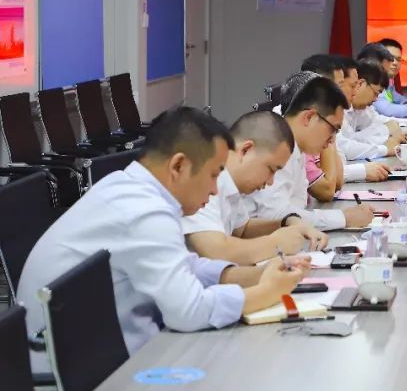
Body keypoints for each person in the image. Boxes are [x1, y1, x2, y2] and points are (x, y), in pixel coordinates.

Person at [17, 107, 308, 371]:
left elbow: (185, 266)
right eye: (213, 175)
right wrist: (266, 292)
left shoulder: (131, 188)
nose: (215, 190)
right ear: (178, 166)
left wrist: (257, 276)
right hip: (80, 371)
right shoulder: (143, 210)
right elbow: (189, 311)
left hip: (96, 352)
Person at [183, 110, 330, 265]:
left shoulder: (231, 184)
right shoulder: (205, 180)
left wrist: (287, 222)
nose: (271, 181)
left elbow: (242, 230)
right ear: (245, 150)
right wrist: (276, 244)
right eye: (271, 169)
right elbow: (217, 252)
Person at [247, 72, 375, 230]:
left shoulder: (296, 147)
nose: (332, 140)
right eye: (333, 129)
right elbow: (276, 215)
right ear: (309, 117)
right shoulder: (276, 144)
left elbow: (296, 208)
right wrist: (344, 218)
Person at [335, 58, 394, 182]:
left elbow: (377, 126)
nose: (355, 90)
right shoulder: (330, 109)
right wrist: (385, 148)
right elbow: (345, 146)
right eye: (353, 85)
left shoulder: (355, 107)